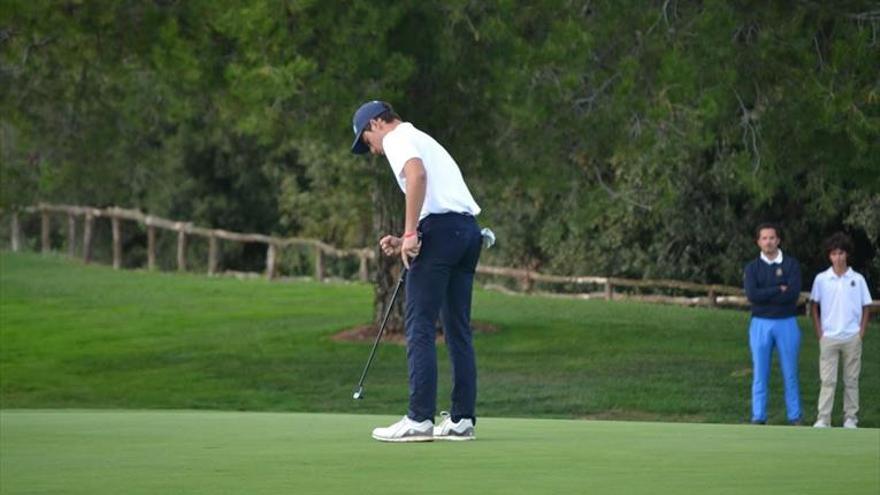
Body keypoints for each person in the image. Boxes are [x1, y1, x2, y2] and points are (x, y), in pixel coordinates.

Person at [350, 100, 482, 442]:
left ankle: (419, 419)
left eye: (367, 141)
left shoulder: (396, 138)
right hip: (467, 233)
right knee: (457, 329)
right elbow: (440, 201)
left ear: (377, 124)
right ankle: (461, 420)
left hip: (441, 232)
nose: (374, 150)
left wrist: (411, 233)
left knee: (419, 324)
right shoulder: (421, 137)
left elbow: (416, 175)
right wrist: (407, 234)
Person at [809, 232, 872, 429]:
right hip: (829, 337)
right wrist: (820, 333)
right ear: (830, 256)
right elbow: (814, 306)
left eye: (841, 253)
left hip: (851, 336)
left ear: (847, 255)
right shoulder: (821, 279)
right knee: (827, 380)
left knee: (851, 380)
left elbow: (866, 306)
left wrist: (860, 332)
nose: (838, 257)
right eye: (834, 254)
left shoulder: (858, 279)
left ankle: (850, 418)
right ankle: (823, 418)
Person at [743, 223, 803, 425]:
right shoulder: (752, 268)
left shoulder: (791, 265)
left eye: (772, 238)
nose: (768, 242)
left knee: (790, 373)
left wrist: (767, 294)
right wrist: (778, 289)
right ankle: (759, 416)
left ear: (778, 240)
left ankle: (794, 416)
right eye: (764, 238)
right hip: (760, 324)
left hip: (786, 323)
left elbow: (793, 295)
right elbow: (753, 295)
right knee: (760, 373)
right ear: (759, 242)